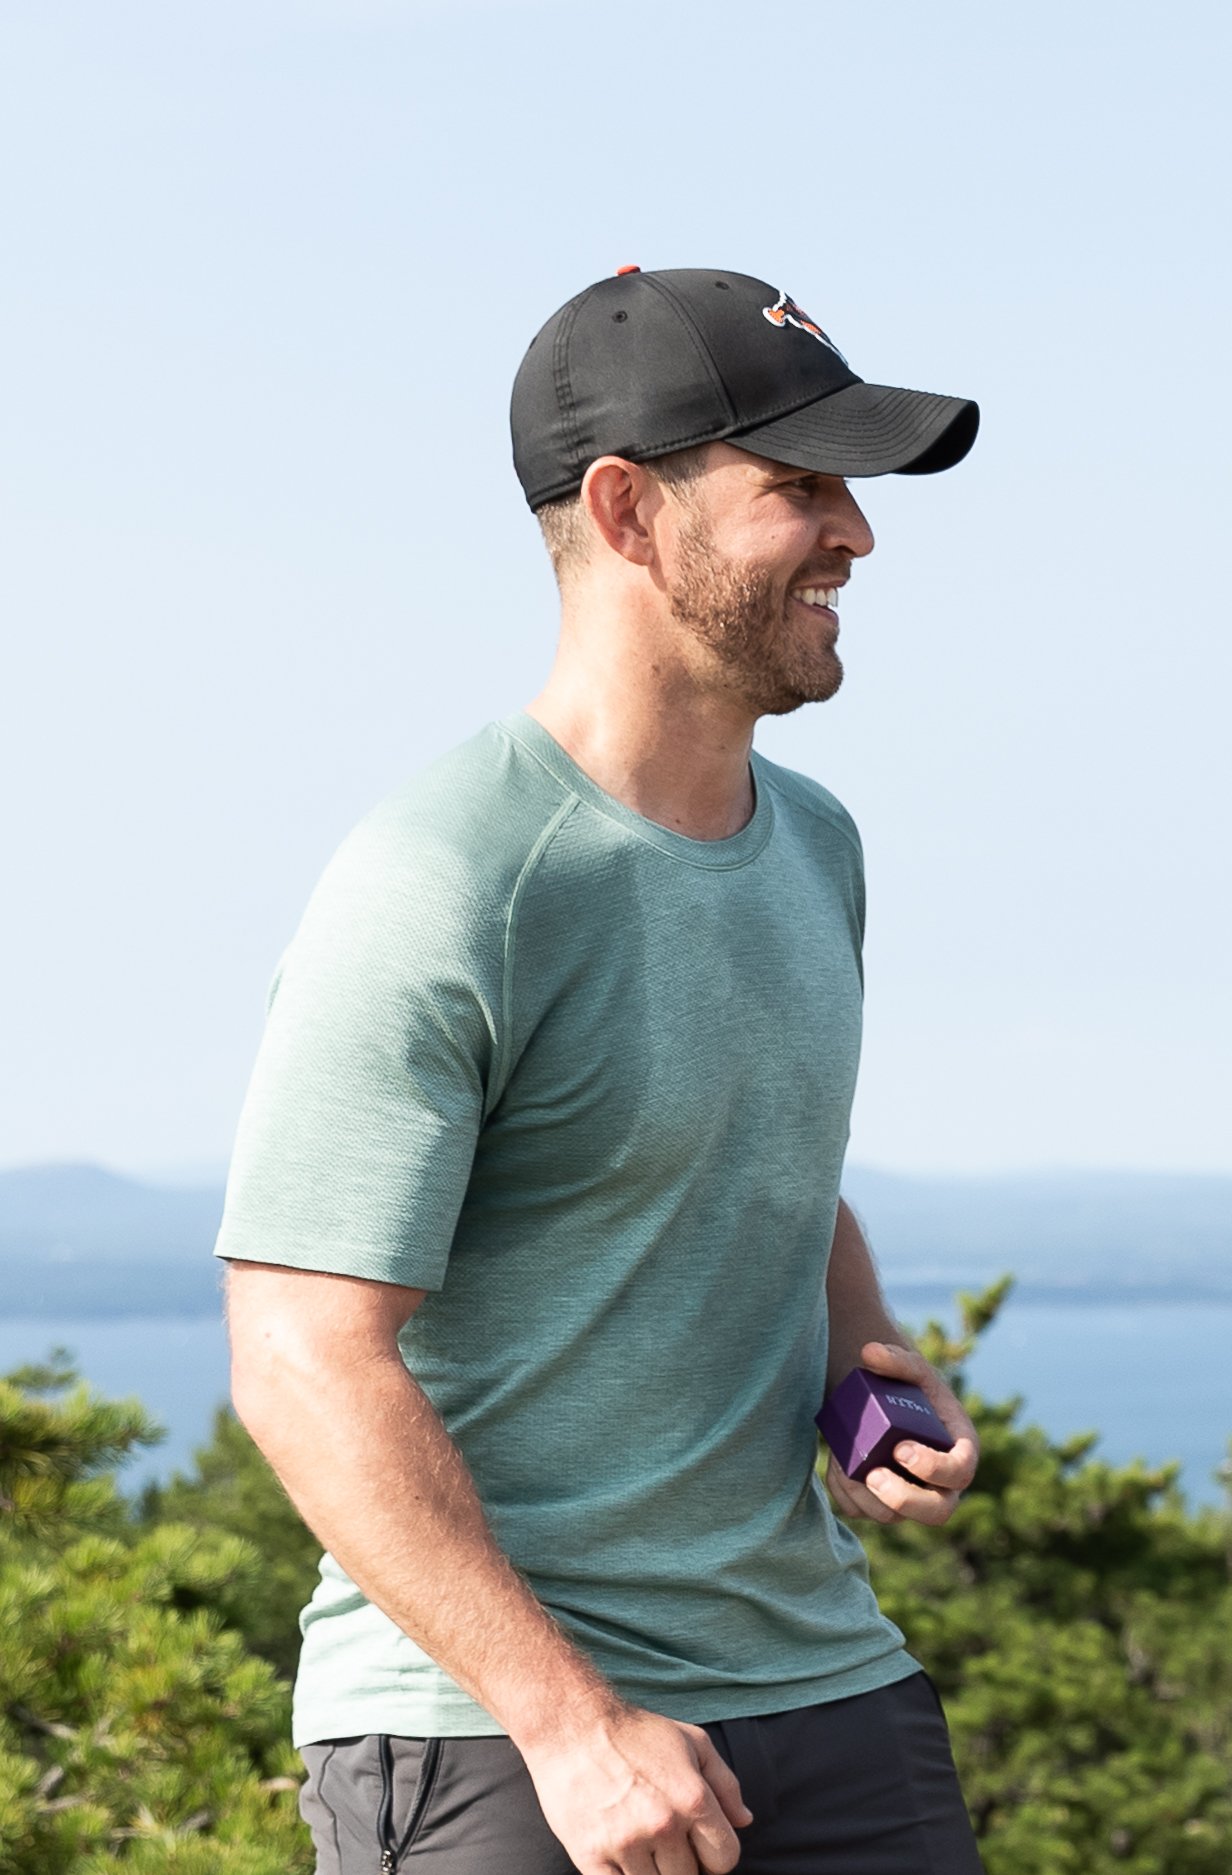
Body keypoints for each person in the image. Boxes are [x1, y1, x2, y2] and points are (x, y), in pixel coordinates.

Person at [217, 266, 988, 1875]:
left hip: (827, 1683)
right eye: (801, 487)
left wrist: (868, 1354)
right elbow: (300, 1355)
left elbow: (764, 1154)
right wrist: (572, 1725)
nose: (858, 533)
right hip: (496, 1734)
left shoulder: (817, 847)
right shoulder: (448, 877)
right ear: (629, 513)